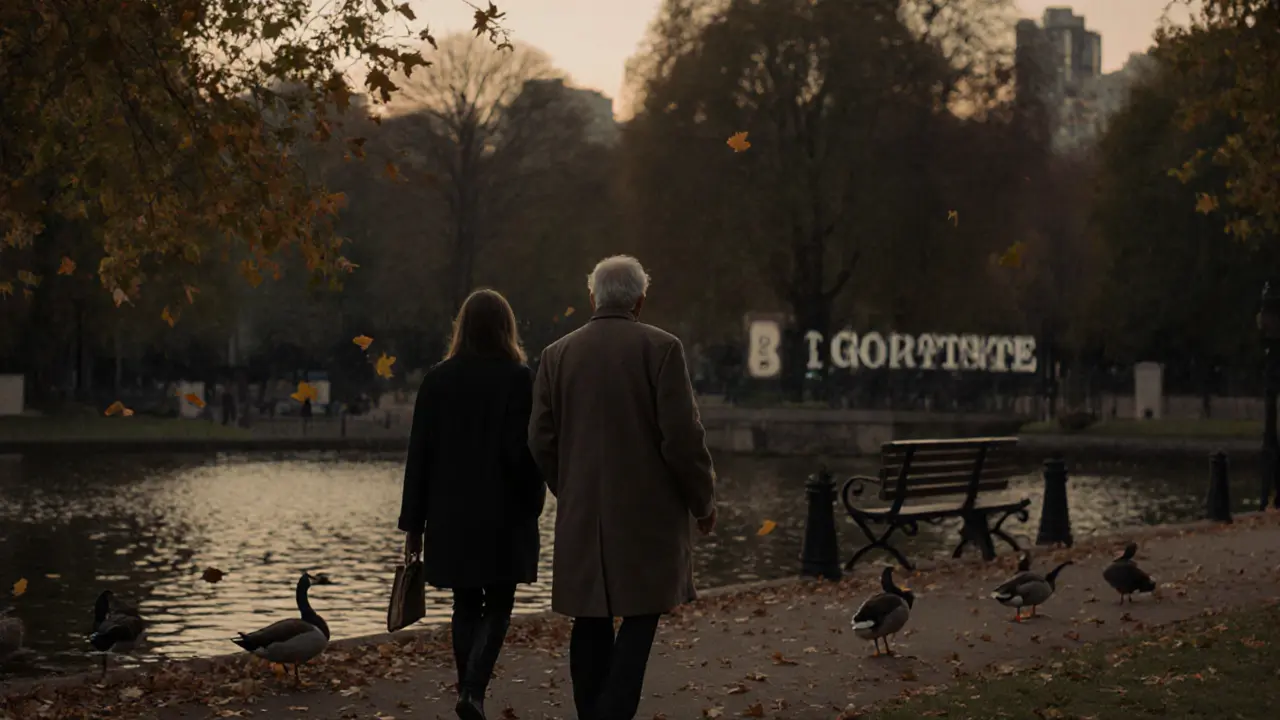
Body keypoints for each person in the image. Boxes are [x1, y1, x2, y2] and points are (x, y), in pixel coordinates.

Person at [529, 255, 717, 720]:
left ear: (592, 297)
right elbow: (682, 438)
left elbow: (540, 439)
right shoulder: (662, 349)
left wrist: (569, 487)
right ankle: (612, 712)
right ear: (640, 300)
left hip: (583, 511)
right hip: (647, 512)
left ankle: (592, 711)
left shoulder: (556, 355)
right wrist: (702, 500)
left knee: (588, 616)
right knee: (642, 612)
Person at [398, 289, 546, 720]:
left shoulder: (437, 381)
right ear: (506, 328)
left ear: (461, 328)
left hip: (451, 515)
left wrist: (414, 525)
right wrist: (533, 504)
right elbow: (527, 452)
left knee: (465, 604)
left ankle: (469, 692)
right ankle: (473, 691)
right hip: (504, 513)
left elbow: (419, 457)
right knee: (499, 604)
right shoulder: (519, 379)